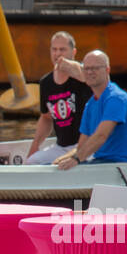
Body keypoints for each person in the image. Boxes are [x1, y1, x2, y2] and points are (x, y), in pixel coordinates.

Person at [55, 50, 127, 169]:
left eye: (95, 68)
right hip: (103, 163)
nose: (90, 72)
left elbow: (101, 135)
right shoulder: (90, 105)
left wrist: (76, 160)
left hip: (124, 165)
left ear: (107, 70)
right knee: (50, 167)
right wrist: (58, 162)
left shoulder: (116, 99)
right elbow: (81, 147)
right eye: (86, 69)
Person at [26, 31, 93, 165]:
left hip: (86, 144)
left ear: (73, 52)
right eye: (54, 49)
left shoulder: (83, 75)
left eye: (62, 49)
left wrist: (70, 67)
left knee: (62, 164)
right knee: (32, 161)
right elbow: (46, 117)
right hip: (61, 146)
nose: (57, 54)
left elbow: (91, 76)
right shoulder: (46, 82)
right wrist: (35, 145)